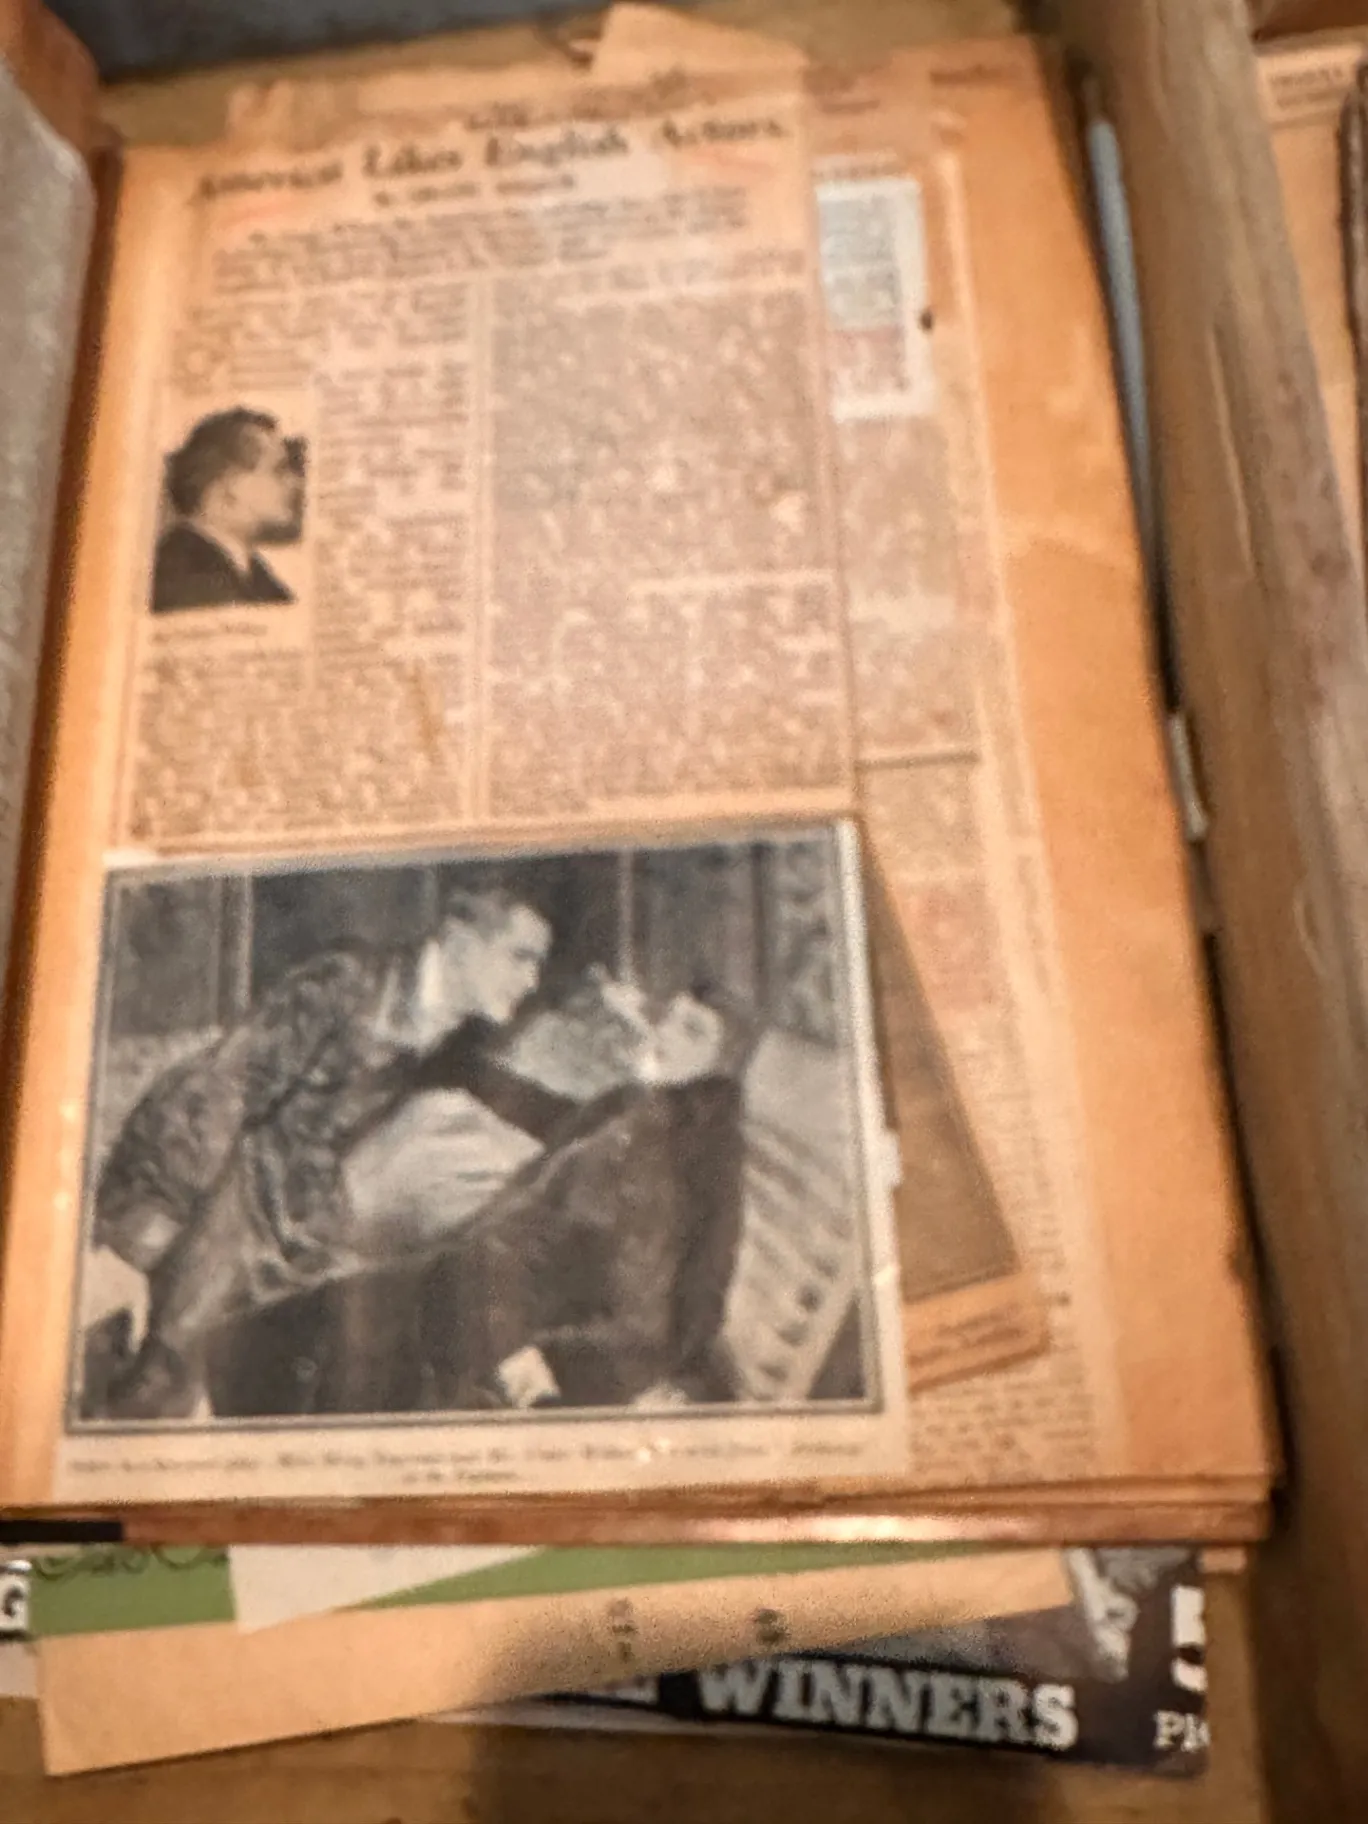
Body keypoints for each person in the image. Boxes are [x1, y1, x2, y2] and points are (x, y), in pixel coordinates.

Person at [84, 886, 552, 1420]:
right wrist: (137, 1241)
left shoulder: (452, 1032)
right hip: (228, 1197)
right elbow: (221, 1092)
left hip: (300, 1226)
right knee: (159, 1383)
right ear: (461, 939)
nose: (532, 980)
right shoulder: (348, 984)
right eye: (520, 957)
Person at [202, 987, 747, 1418]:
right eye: (670, 1017)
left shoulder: (687, 1157)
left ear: (725, 1064)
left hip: (502, 1318)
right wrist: (471, 1071)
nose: (664, 1033)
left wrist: (547, 1362)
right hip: (473, 1272)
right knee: (276, 1333)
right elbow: (558, 1122)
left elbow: (658, 1320)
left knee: (288, 1351)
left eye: (692, 1031)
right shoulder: (642, 1105)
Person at [150, 408, 303, 613]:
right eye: (279, 470)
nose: (295, 482)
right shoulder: (178, 575)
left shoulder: (254, 575)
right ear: (229, 487)